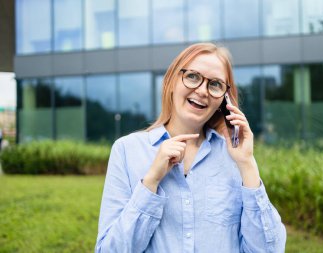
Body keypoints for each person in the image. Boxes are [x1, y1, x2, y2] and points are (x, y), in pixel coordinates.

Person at [95, 43, 286, 253]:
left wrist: (247, 164)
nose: (203, 91)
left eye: (215, 84)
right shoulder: (126, 151)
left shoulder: (235, 158)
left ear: (224, 100)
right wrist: (150, 183)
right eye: (193, 76)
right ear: (171, 82)